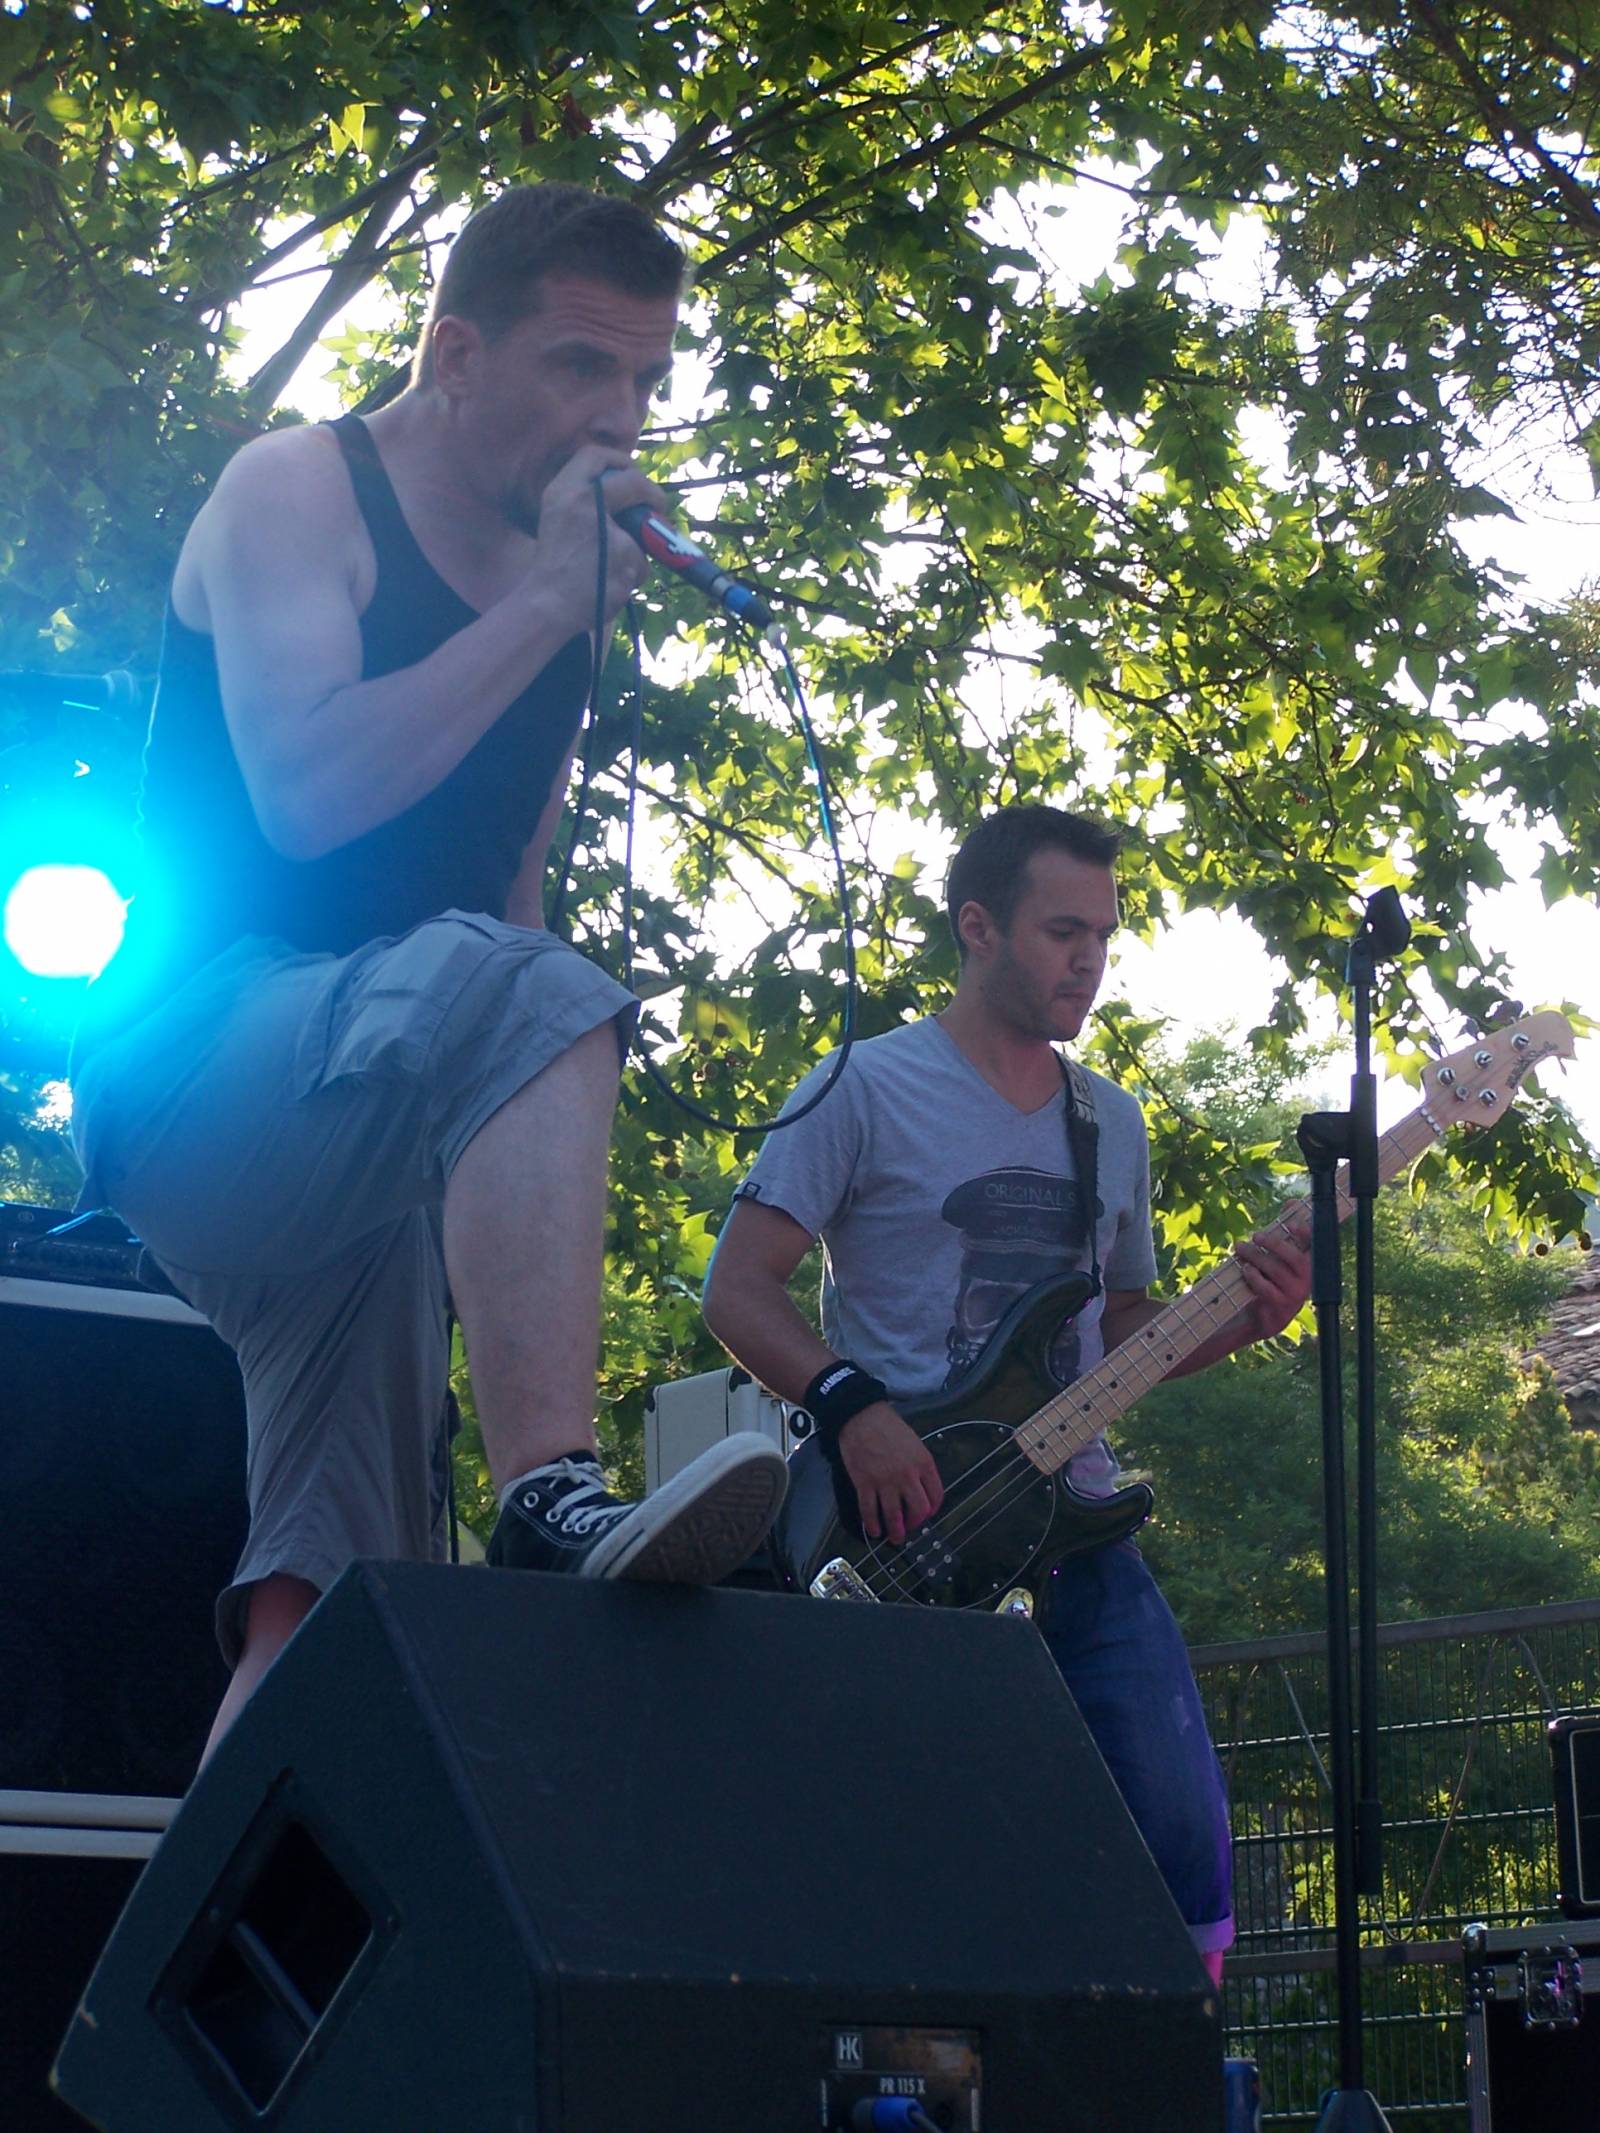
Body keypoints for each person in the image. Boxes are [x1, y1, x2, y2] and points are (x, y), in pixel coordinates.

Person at [69, 184, 787, 1764]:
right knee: (541, 988)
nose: (620, 417)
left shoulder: (567, 609)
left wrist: (498, 1225)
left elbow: (506, 896)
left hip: (366, 1120)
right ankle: (552, 1495)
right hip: (184, 1067)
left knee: (329, 1603)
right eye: (580, 365)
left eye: (647, 378)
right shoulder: (295, 489)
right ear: (457, 353)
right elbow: (308, 795)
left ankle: (206, 1921)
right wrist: (536, 606)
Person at [701, 805, 1312, 1983]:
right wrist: (852, 1407)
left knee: (1182, 1838)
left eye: (1104, 936)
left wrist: (1245, 1317)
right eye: (1062, 931)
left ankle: (1171, 2059)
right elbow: (736, 1290)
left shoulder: (1108, 1121)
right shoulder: (860, 1087)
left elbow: (1113, 1335)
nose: (1089, 961)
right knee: (913, 1868)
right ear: (976, 927)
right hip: (902, 1529)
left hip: (1070, 1519)